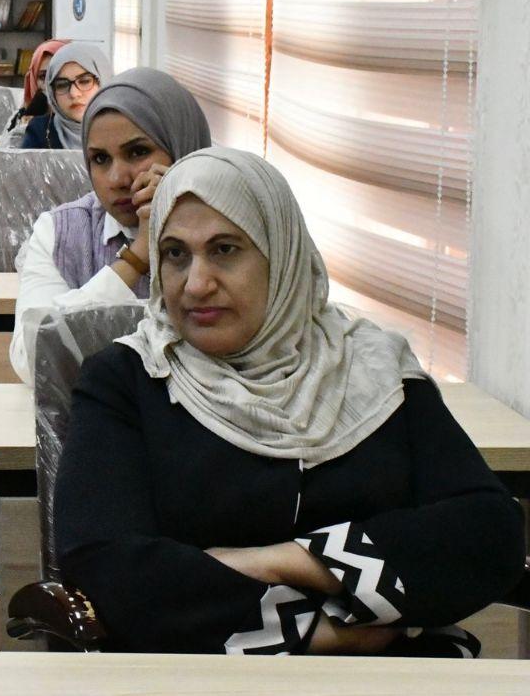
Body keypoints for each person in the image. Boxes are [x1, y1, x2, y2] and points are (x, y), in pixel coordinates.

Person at [54, 147, 525, 657]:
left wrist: (288, 560)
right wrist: (315, 632)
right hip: (200, 674)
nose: (196, 283)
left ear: (281, 255)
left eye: (225, 249)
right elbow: (105, 565)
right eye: (175, 254)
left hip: (390, 673)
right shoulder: (127, 379)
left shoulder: (373, 368)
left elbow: (490, 533)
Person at [10, 68, 211, 383]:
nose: (117, 179)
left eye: (138, 152)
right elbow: (32, 359)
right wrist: (137, 257)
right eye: (100, 159)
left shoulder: (231, 225)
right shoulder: (60, 232)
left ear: (181, 146)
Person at [20, 42, 111, 149]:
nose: (74, 94)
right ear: (52, 92)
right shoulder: (40, 132)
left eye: (84, 81)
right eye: (62, 85)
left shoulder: (124, 128)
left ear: (103, 82)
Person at [5, 39, 67, 133]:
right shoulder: (20, 120)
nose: (50, 83)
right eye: (43, 76)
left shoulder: (87, 122)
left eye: (58, 75)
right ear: (33, 80)